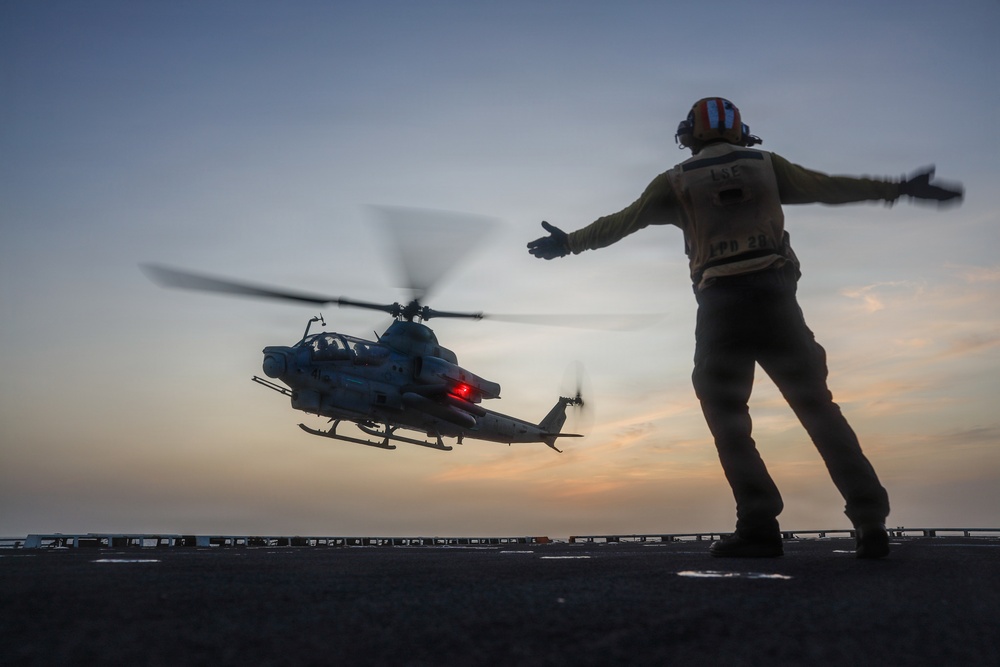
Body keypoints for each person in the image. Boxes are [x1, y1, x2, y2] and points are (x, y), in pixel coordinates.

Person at [527, 98, 963, 559]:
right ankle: (869, 518)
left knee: (728, 418)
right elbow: (830, 188)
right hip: (777, 300)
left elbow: (620, 223)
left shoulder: (676, 180)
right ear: (741, 132)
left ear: (688, 135)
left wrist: (569, 243)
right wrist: (897, 189)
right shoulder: (766, 165)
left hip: (721, 308)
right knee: (818, 409)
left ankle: (758, 525)